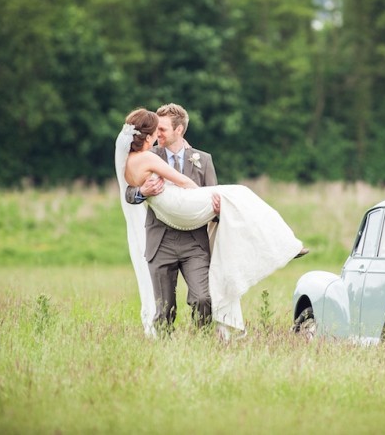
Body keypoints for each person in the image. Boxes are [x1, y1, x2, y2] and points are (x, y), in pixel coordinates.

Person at [116, 106, 306, 335]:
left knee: (203, 298)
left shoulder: (203, 160)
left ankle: (202, 342)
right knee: (164, 308)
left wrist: (217, 211)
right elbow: (128, 193)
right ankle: (163, 349)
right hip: (161, 241)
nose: (159, 134)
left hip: (194, 242)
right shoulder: (148, 155)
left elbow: (211, 196)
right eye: (157, 130)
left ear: (179, 130)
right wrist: (142, 192)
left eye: (163, 129)